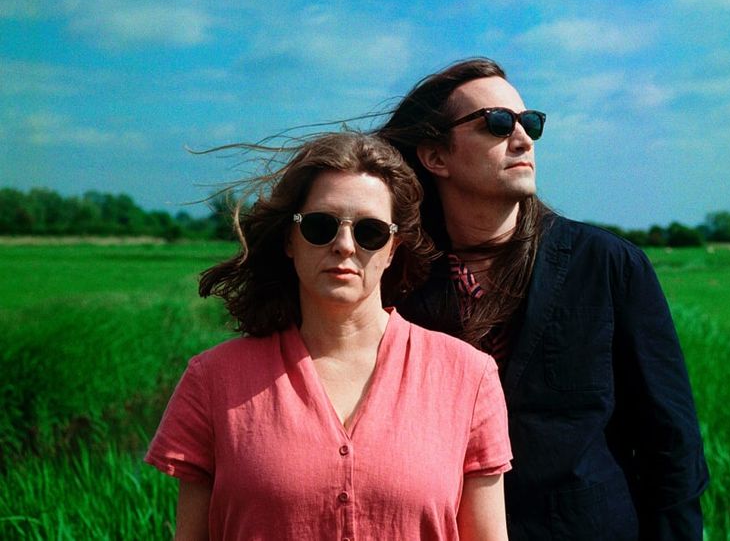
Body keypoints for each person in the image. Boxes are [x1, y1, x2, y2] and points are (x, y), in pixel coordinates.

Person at [376, 58, 709, 540]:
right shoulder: (398, 278)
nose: (523, 139)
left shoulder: (607, 265)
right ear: (435, 157)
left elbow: (672, 444)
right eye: (497, 123)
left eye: (530, 123)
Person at [145, 132, 512, 540]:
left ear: (393, 248)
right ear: (290, 238)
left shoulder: (468, 378)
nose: (344, 245)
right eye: (321, 226)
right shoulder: (214, 380)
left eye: (370, 232)